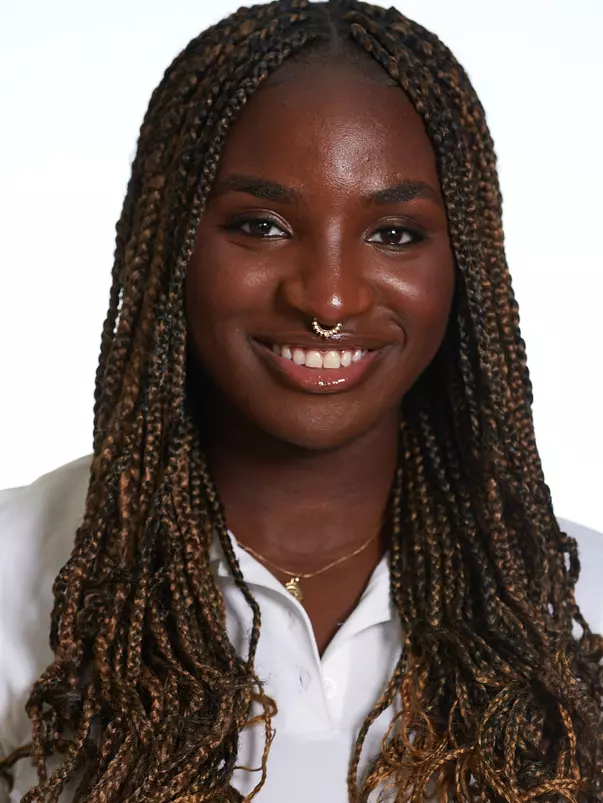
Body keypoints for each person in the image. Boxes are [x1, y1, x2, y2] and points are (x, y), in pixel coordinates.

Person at [1, 0, 602, 800]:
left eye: (393, 233)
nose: (328, 298)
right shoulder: (13, 573)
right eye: (261, 225)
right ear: (171, 242)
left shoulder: (579, 607)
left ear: (465, 263)